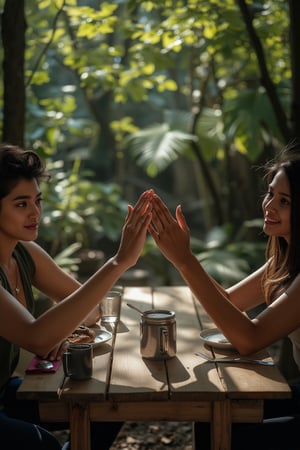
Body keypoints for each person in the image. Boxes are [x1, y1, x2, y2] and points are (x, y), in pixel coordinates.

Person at [0, 143, 153, 450]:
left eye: (37, 201)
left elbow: (91, 311)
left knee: (109, 407)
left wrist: (56, 329)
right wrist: (118, 262)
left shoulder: (24, 253)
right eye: (21, 204)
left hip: (3, 392)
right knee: (43, 446)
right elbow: (36, 337)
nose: (35, 212)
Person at [149, 145, 300, 449]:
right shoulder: (285, 258)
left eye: (284, 201)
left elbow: (249, 338)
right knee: (210, 416)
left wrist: (186, 262)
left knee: (225, 433)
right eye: (270, 194)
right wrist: (183, 258)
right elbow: (229, 304)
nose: (269, 206)